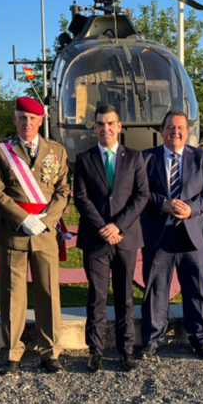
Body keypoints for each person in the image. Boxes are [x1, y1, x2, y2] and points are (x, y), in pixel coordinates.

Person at [0, 96, 70, 374]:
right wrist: (23, 219)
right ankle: (12, 352)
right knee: (12, 294)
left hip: (45, 231)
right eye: (22, 118)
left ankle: (51, 351)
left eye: (33, 119)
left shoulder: (56, 151)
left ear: (40, 121)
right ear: (15, 120)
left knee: (49, 292)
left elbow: (62, 191)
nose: (27, 123)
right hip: (13, 231)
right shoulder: (1, 151)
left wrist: (45, 220)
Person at [138, 110, 203, 360]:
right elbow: (140, 193)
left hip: (193, 234)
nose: (175, 132)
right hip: (159, 233)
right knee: (155, 290)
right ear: (161, 131)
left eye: (180, 128)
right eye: (170, 128)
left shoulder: (202, 158)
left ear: (188, 131)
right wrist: (162, 203)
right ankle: (152, 340)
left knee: (196, 289)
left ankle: (200, 339)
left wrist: (191, 209)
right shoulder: (145, 158)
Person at [73, 104, 149, 373]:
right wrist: (103, 227)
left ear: (119, 126)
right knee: (97, 296)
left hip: (125, 237)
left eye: (110, 124)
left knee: (125, 297)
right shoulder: (83, 159)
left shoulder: (135, 157)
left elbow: (142, 196)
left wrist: (118, 226)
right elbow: (80, 198)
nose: (105, 129)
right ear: (94, 128)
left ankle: (126, 350)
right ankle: (95, 351)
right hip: (96, 239)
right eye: (100, 124)